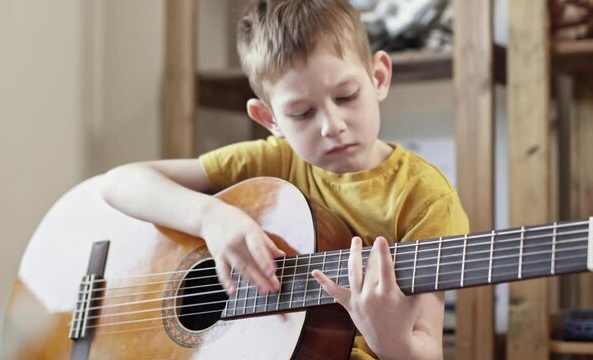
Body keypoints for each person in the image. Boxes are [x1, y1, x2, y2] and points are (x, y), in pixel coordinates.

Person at [101, 0, 469, 358]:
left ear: (378, 78)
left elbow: (428, 350)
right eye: (302, 113)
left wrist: (393, 343)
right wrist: (211, 217)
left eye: (347, 96)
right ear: (269, 119)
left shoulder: (424, 197)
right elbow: (119, 183)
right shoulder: (273, 162)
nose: (332, 126)